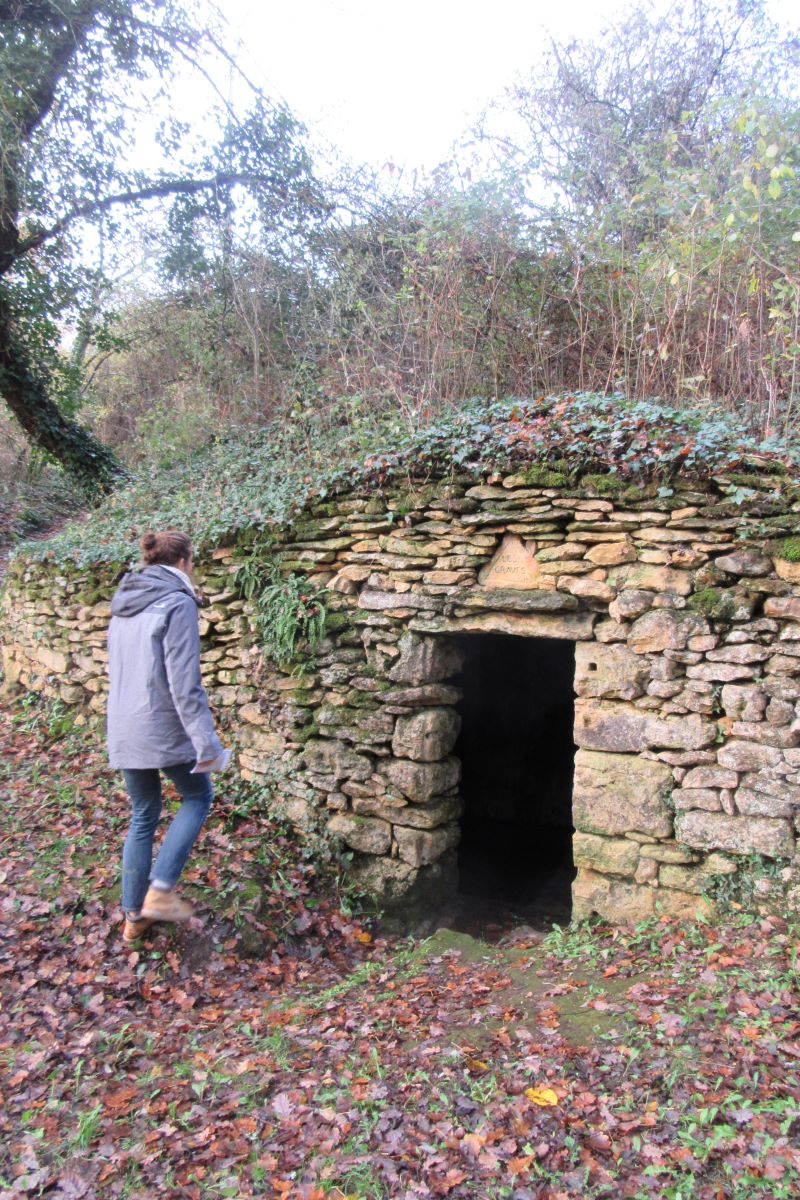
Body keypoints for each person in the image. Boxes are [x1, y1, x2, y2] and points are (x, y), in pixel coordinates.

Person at [107, 530, 228, 944]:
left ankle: (132, 915)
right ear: (183, 563)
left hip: (123, 723)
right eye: (193, 562)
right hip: (159, 722)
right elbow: (184, 683)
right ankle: (158, 893)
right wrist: (206, 743)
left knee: (144, 812)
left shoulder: (125, 601)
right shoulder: (176, 602)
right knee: (198, 796)